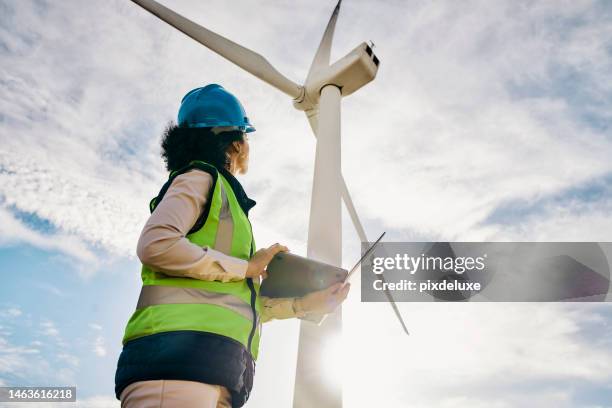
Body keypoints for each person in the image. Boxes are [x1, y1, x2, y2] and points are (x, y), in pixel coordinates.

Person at [114, 84, 351, 408]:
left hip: (215, 370)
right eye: (246, 137)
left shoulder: (227, 204)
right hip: (177, 366)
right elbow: (156, 244)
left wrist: (304, 304)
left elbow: (232, 305)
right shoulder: (199, 179)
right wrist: (248, 267)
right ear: (235, 142)